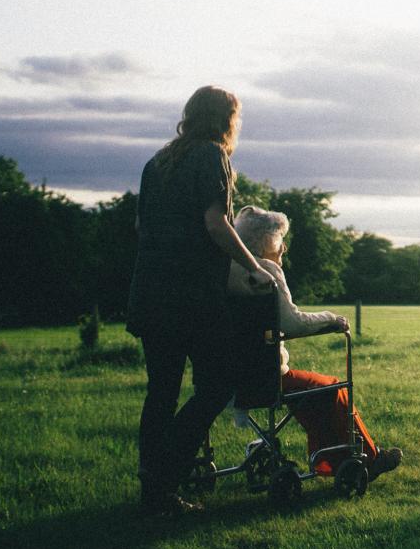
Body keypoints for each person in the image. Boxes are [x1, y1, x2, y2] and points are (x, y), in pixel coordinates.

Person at [127, 86, 275, 516]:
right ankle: (165, 476)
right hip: (190, 297)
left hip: (150, 292)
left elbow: (142, 226)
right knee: (217, 386)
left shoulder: (158, 162)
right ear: (226, 119)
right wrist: (253, 266)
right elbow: (217, 224)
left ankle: (153, 489)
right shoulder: (212, 157)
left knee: (161, 392)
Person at [228, 205, 402, 481]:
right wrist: (332, 319)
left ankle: (329, 463)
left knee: (312, 392)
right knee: (332, 387)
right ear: (266, 242)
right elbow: (292, 323)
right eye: (280, 240)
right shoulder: (266, 270)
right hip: (265, 377)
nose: (284, 248)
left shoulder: (229, 270)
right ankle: (368, 458)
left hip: (228, 376)